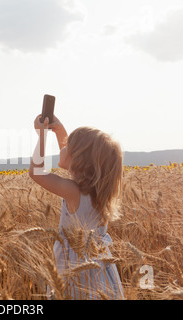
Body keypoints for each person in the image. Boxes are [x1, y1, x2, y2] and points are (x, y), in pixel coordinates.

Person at [29, 114, 124, 300]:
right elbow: (68, 160)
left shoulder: (74, 191)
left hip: (74, 272)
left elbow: (36, 172)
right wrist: (59, 129)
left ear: (78, 159)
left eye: (68, 147)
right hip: (98, 272)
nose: (62, 148)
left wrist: (42, 135)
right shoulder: (99, 193)